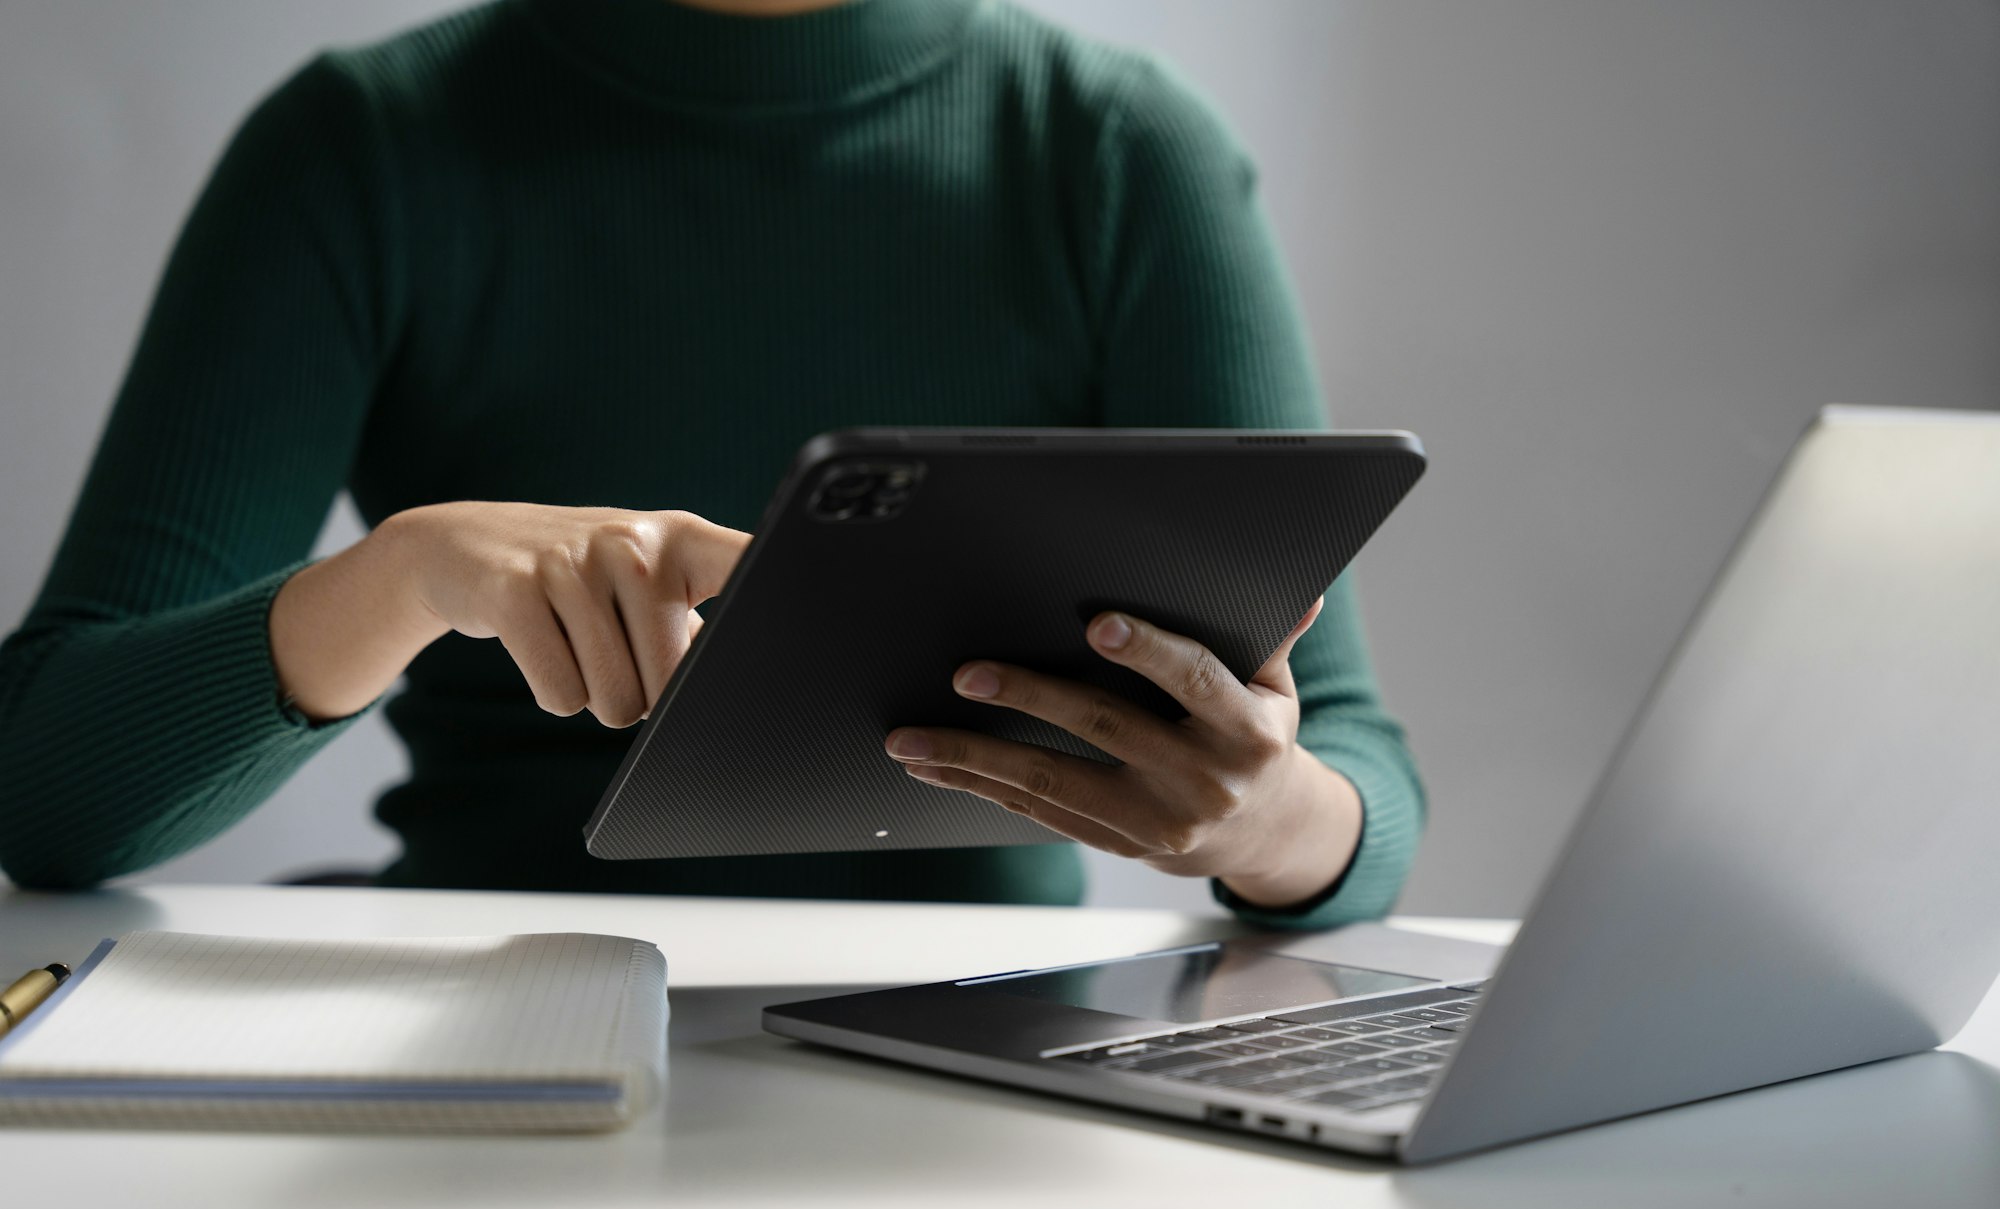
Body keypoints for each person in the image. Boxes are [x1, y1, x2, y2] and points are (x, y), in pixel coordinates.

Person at [0, 0, 1423, 925]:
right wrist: (400, 576)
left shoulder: (1116, 153)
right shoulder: (362, 152)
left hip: (983, 1053)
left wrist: (1268, 815)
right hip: (495, 1027)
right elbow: (43, 789)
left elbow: (1346, 752)